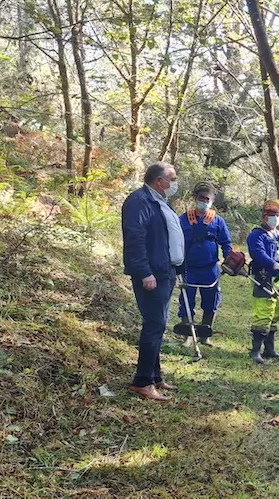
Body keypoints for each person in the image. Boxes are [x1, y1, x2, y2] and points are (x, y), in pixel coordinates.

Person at [121, 163, 184, 401]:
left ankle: (155, 376)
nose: (175, 183)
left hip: (165, 271)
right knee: (154, 324)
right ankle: (142, 382)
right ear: (159, 181)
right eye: (172, 179)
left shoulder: (159, 201)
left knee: (160, 324)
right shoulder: (139, 201)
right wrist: (145, 272)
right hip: (152, 274)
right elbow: (135, 239)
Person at [177, 182, 232, 347]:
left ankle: (205, 335)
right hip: (189, 268)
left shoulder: (218, 221)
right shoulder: (183, 219)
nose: (204, 201)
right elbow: (174, 241)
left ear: (212, 200)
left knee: (211, 300)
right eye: (201, 198)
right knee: (187, 300)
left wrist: (230, 261)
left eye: (207, 199)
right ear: (195, 198)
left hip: (210, 269)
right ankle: (188, 336)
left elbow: (226, 244)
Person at [246, 199, 279, 364]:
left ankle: (270, 349)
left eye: (276, 215)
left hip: (278, 281)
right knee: (263, 315)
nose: (274, 217)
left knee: (275, 314)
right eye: (270, 214)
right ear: (264, 215)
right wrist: (274, 265)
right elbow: (259, 255)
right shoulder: (256, 235)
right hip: (263, 280)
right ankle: (255, 351)